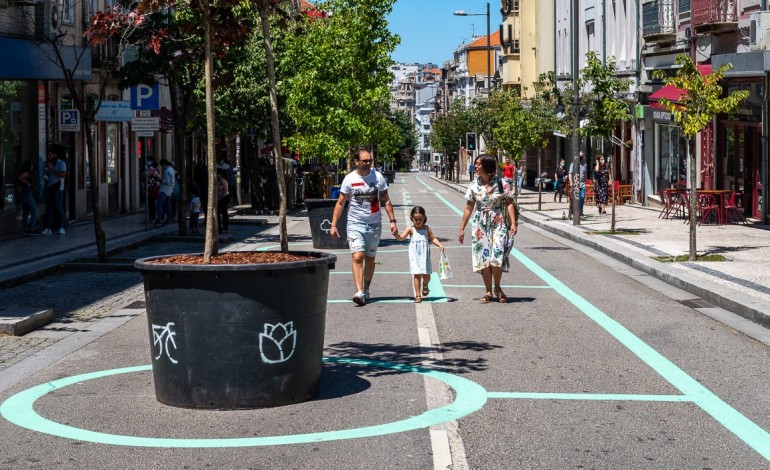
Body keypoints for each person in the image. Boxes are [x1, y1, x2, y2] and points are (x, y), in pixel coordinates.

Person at [330, 148, 398, 306]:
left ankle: (366, 288)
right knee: (357, 256)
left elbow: (386, 200)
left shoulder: (378, 177)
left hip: (374, 224)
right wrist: (333, 225)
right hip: (355, 223)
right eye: (365, 161)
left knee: (370, 258)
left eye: (370, 161)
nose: (368, 163)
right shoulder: (349, 179)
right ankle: (359, 292)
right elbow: (340, 203)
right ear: (357, 162)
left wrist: (392, 221)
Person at [458, 154, 518, 304]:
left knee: (496, 256)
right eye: (476, 164)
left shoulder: (501, 182)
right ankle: (488, 291)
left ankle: (498, 288)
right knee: (484, 258)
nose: (476, 166)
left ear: (487, 166)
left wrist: (513, 223)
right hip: (480, 225)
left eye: (479, 164)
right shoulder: (473, 185)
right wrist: (462, 228)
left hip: (498, 223)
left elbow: (509, 202)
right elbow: (468, 208)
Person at [394, 206, 445, 303]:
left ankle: (425, 285)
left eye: (420, 219)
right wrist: (396, 235)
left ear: (424, 218)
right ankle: (418, 295)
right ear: (412, 218)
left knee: (426, 276)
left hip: (425, 256)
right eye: (415, 219)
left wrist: (439, 244)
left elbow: (432, 238)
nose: (418, 222)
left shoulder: (427, 228)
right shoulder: (411, 229)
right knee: (416, 274)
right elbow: (401, 237)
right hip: (414, 255)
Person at [41, 150, 67, 235]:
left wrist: (53, 169)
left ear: (55, 155)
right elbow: (47, 175)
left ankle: (62, 227)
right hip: (49, 187)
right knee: (49, 209)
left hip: (58, 188)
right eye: (48, 155)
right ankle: (48, 228)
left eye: (50, 155)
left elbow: (63, 175)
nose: (49, 157)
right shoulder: (48, 163)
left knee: (59, 207)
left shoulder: (61, 163)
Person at [16, 160, 38, 234]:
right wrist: (27, 183)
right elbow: (19, 178)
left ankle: (25, 229)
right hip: (27, 193)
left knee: (25, 212)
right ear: (28, 166)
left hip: (26, 193)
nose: (32, 166)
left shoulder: (27, 173)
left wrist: (32, 186)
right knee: (34, 211)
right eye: (31, 165)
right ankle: (32, 228)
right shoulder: (26, 173)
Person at [155, 158, 175, 226]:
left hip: (164, 190)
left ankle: (159, 220)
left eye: (162, 166)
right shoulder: (171, 169)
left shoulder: (167, 171)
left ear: (164, 164)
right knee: (167, 205)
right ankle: (168, 219)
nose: (162, 167)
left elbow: (167, 181)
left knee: (158, 204)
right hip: (169, 190)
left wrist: (160, 180)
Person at [569, 151, 588, 216]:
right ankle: (575, 210)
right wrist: (571, 182)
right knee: (576, 197)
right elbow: (570, 173)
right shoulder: (573, 164)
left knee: (582, 197)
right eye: (580, 156)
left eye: (582, 156)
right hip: (575, 183)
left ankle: (580, 211)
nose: (581, 157)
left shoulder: (585, 165)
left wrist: (585, 181)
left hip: (582, 183)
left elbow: (585, 173)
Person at [216, 168, 230, 233]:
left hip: (223, 198)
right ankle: (220, 228)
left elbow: (225, 190)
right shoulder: (218, 180)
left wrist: (220, 197)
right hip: (219, 197)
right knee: (218, 213)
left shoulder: (223, 180)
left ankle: (225, 228)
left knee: (223, 213)